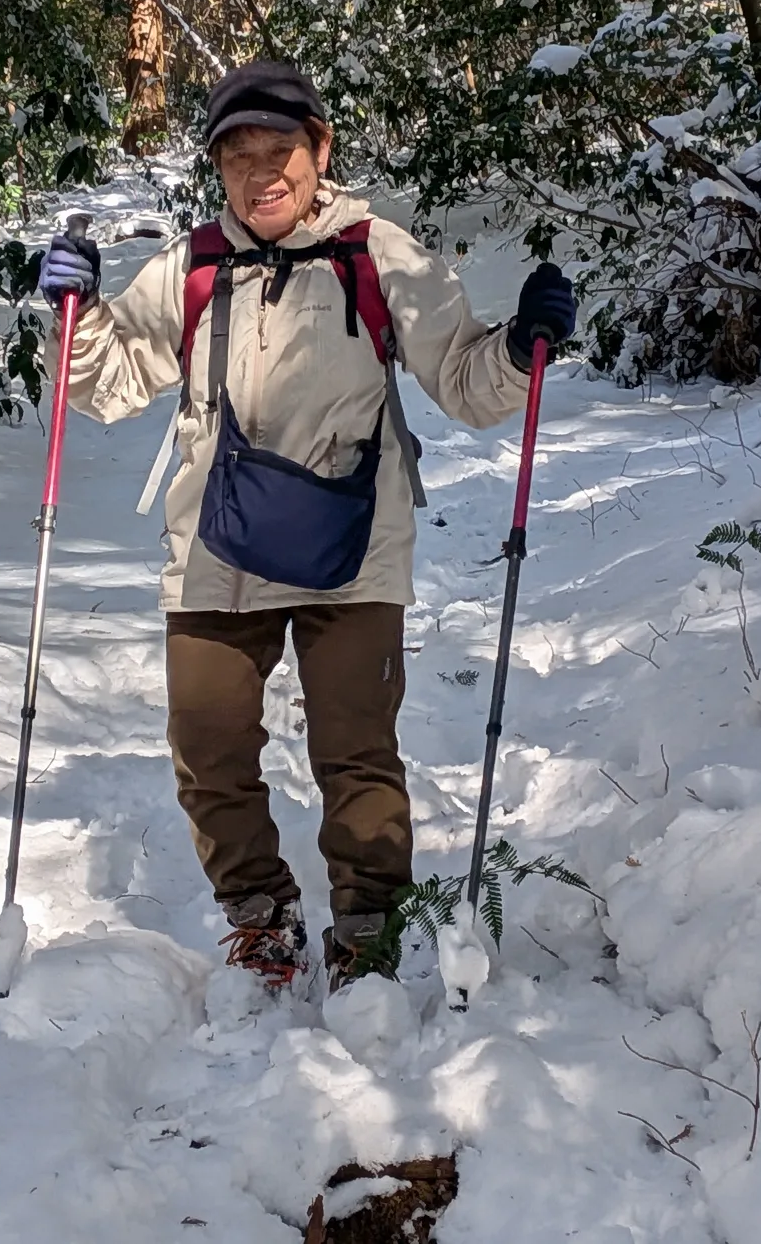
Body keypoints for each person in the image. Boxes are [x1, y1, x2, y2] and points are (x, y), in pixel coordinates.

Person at [37, 59, 575, 993]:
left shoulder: (380, 255)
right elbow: (110, 385)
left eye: (280, 149)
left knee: (356, 753)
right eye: (238, 154)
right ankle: (260, 917)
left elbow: (466, 382)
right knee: (208, 750)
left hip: (355, 544)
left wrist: (526, 348)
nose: (262, 172)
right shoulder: (195, 265)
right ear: (218, 169)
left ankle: (367, 929)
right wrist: (74, 319)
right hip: (218, 545)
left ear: (319, 151)